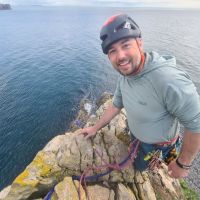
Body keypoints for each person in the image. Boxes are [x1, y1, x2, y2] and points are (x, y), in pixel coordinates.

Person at [79, 14, 200, 179]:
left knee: (140, 168)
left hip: (159, 146)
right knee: (138, 163)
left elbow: (196, 123)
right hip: (136, 136)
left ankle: (153, 167)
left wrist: (182, 164)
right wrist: (94, 128)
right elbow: (116, 105)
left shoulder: (168, 80)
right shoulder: (125, 75)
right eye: (112, 51)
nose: (120, 56)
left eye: (125, 45)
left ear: (139, 43)